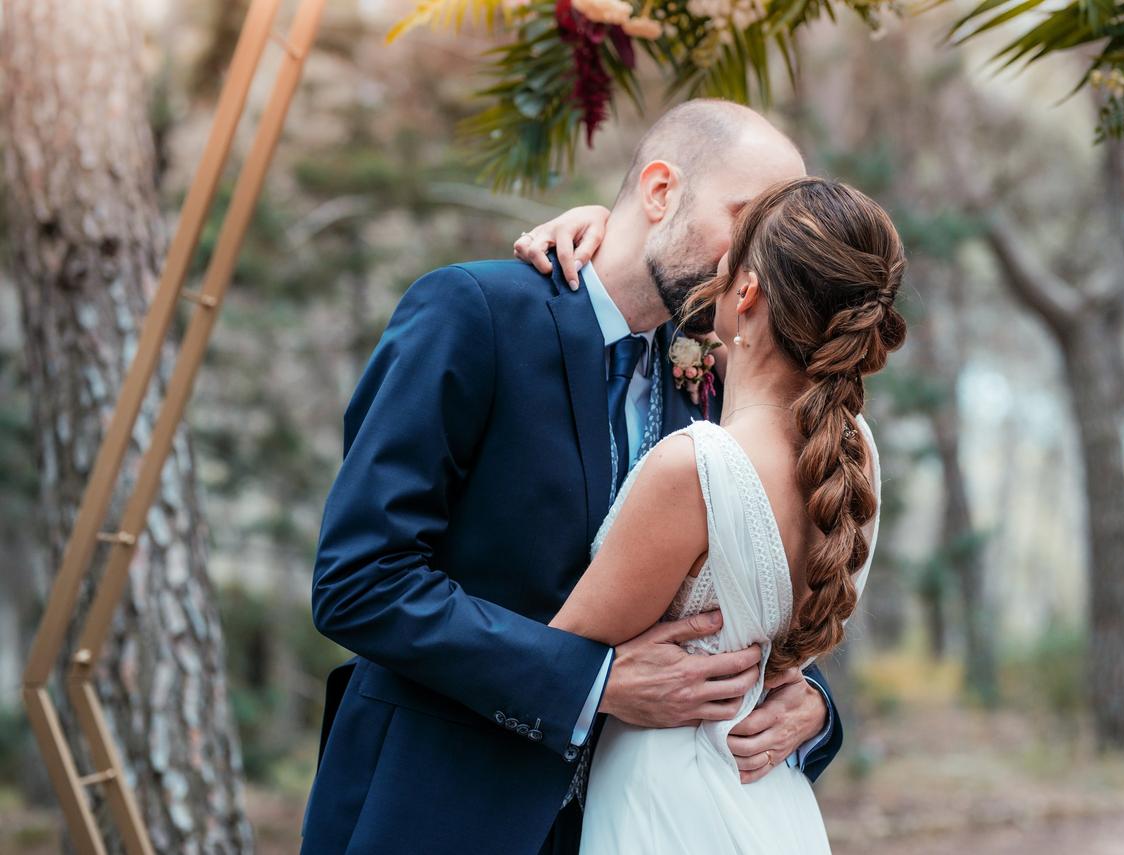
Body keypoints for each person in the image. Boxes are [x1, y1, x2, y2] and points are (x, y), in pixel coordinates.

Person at [300, 99, 846, 855]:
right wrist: (590, 683)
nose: (757, 265)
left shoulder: (722, 382)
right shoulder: (475, 312)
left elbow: (745, 580)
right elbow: (359, 580)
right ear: (660, 192)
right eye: (746, 220)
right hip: (439, 809)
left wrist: (810, 706)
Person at [529, 175, 904, 853]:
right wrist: (610, 225)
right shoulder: (857, 456)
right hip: (771, 803)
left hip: (664, 808)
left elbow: (551, 665)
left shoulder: (697, 467)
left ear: (749, 291)